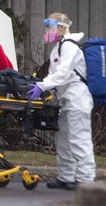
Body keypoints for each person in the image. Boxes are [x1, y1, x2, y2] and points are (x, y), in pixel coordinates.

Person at [27, 12, 96, 190]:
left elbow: (63, 74)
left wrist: (42, 86)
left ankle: (86, 179)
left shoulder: (70, 46)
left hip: (78, 100)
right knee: (63, 140)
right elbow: (54, 76)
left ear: (61, 27)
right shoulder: (58, 47)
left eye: (50, 27)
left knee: (79, 140)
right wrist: (44, 87)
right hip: (67, 101)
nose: (48, 31)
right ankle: (65, 177)